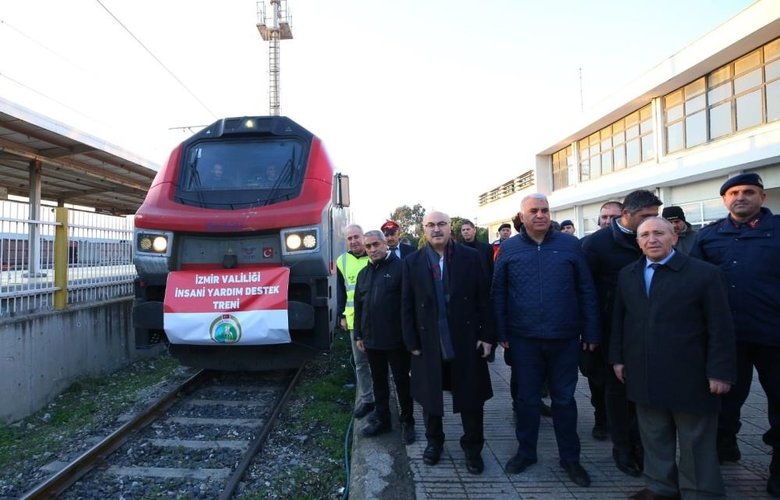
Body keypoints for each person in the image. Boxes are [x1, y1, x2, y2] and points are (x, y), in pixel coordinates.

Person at [610, 216, 735, 499]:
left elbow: (721, 327)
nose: (652, 240)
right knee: (653, 434)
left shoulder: (704, 274)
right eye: (644, 235)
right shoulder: (628, 274)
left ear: (674, 237)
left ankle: (700, 492)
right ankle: (660, 488)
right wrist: (617, 358)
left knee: (695, 439)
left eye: (659, 233)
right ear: (637, 242)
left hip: (691, 373)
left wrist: (720, 371)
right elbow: (620, 319)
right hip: (644, 370)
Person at [493, 193, 599, 487]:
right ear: (522, 216)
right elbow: (498, 292)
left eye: (544, 210)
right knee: (527, 400)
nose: (540, 215)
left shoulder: (570, 245)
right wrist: (501, 331)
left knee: (564, 400)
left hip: (564, 338)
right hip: (524, 339)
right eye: (534, 211)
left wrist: (591, 331)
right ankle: (526, 453)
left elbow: (586, 289)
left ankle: (570, 459)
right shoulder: (509, 248)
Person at [690, 172, 780, 497]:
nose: (740, 197)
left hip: (774, 336)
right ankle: (724, 447)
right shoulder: (709, 236)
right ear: (725, 200)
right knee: (724, 401)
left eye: (748, 192)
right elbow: (693, 285)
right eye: (734, 193)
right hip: (728, 340)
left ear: (762, 197)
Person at [401, 211, 494, 475]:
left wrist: (487, 336)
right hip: (428, 341)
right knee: (430, 398)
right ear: (423, 229)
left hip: (466, 340)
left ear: (450, 227)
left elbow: (484, 298)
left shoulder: (471, 257)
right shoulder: (412, 262)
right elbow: (406, 304)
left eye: (441, 224)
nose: (436, 229)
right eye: (430, 225)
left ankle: (473, 448)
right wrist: (411, 342)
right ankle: (434, 442)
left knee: (471, 398)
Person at [582, 189, 663, 477]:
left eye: (656, 216)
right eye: (646, 216)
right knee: (616, 390)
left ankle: (642, 444)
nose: (652, 222)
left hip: (651, 331)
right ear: (627, 215)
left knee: (646, 389)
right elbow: (585, 291)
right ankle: (623, 448)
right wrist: (590, 331)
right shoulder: (596, 244)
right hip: (611, 331)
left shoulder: (656, 238)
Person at [353, 230, 415, 444]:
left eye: (376, 244)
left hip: (396, 340)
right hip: (371, 340)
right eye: (368, 246)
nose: (372, 249)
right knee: (378, 382)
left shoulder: (402, 268)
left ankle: (407, 421)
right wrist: (359, 335)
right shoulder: (363, 274)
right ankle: (383, 419)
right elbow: (359, 307)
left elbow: (410, 305)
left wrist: (410, 337)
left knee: (402, 383)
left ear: (385, 244)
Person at [336, 224, 374, 419]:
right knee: (361, 363)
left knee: (380, 363)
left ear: (363, 236)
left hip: (377, 319)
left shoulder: (374, 255)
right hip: (354, 321)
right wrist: (341, 316)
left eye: (356, 237)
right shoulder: (342, 261)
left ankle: (382, 399)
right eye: (349, 238)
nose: (353, 241)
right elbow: (341, 291)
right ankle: (367, 399)